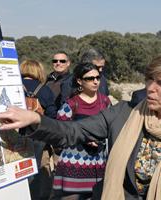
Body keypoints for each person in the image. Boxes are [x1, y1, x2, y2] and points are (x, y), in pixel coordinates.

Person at [0, 51, 161, 200]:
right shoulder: (124, 113)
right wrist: (36, 120)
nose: (150, 88)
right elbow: (73, 131)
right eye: (150, 79)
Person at [52, 62, 111, 199]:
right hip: (74, 166)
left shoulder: (106, 102)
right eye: (90, 78)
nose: (95, 81)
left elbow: (112, 128)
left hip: (101, 163)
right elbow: (60, 133)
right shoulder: (71, 104)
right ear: (79, 81)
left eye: (98, 77)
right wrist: (84, 139)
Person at [20, 60, 57, 200]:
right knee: (38, 169)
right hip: (39, 135)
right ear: (38, 71)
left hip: (18, 134)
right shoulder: (44, 89)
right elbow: (52, 113)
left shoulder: (14, 86)